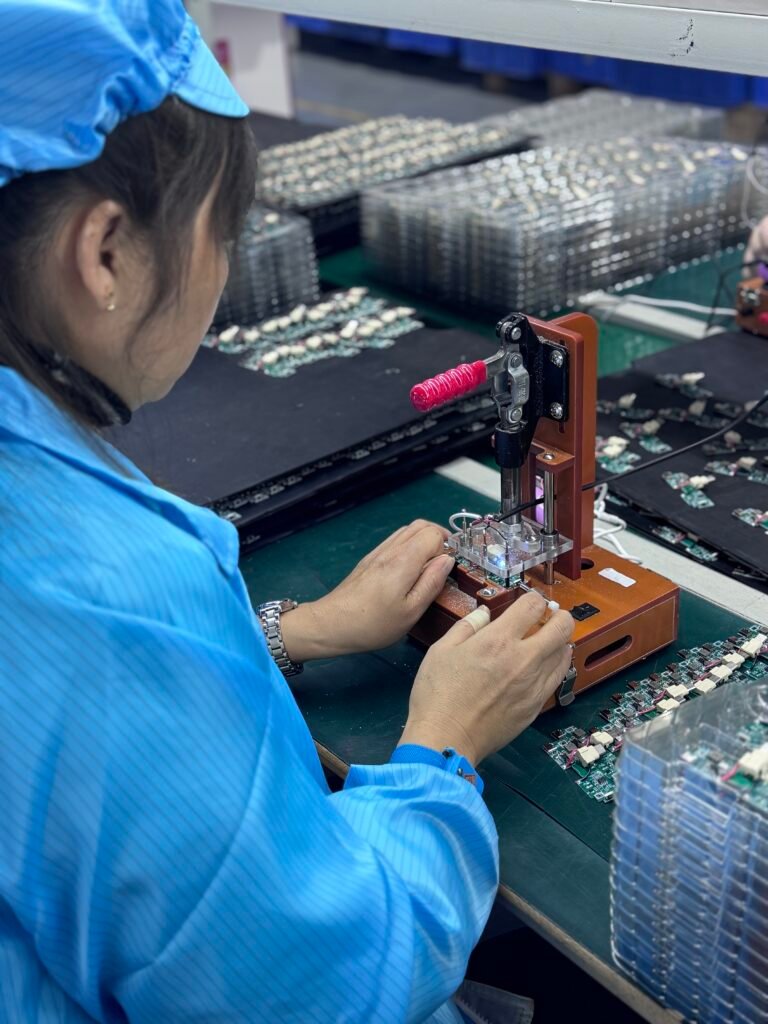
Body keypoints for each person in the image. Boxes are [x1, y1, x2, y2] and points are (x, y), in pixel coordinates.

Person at [0, 3, 574, 1022]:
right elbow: (331, 989)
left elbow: (72, 748)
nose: (218, 276)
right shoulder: (99, 586)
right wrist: (442, 751)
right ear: (105, 255)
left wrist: (287, 634)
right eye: (219, 233)